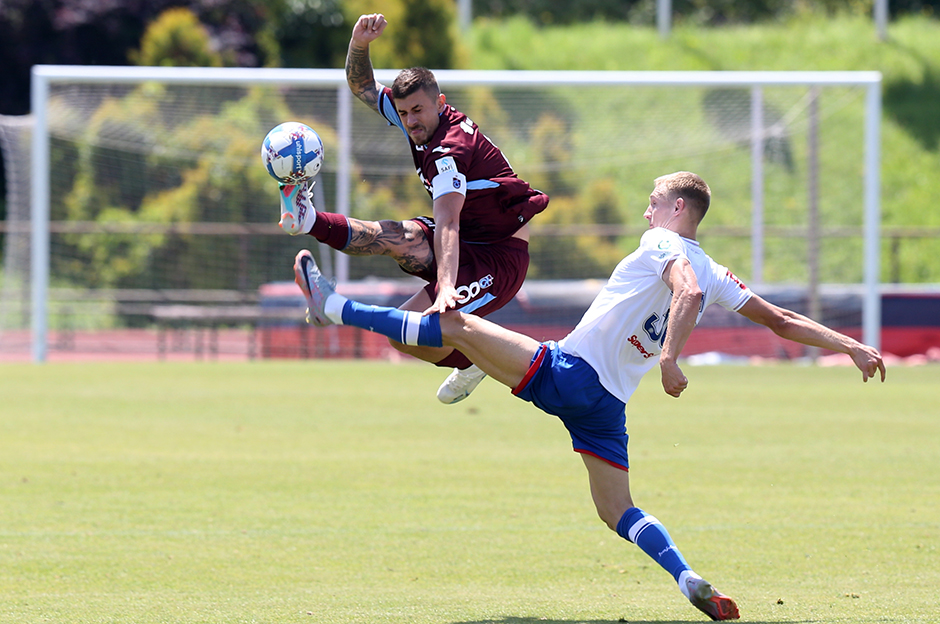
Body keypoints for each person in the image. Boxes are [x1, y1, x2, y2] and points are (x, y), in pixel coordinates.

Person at [291, 171, 886, 621]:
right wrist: (850, 344)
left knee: (452, 323)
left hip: (571, 374)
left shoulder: (664, 246)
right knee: (616, 511)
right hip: (606, 406)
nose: (646, 208)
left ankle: (334, 308)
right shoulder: (715, 269)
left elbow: (684, 294)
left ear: (676, 209)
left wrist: (672, 358)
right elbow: (779, 318)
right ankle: (688, 580)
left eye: (653, 201)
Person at [276, 12, 548, 404]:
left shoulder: (448, 151)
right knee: (393, 237)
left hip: (499, 259)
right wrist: (359, 45)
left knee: (410, 332)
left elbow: (449, 222)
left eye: (418, 111)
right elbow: (364, 86)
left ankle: (475, 359)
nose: (410, 121)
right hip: (470, 240)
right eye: (403, 113)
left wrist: (448, 288)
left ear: (439, 101)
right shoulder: (417, 122)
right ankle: (308, 218)